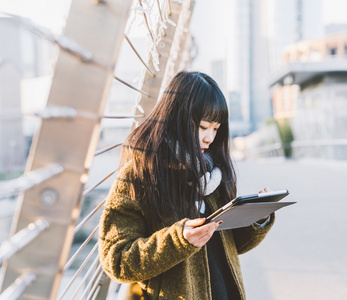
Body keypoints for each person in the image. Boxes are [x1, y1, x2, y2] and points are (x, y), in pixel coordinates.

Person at [99, 71, 275, 299]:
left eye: (216, 128)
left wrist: (256, 219)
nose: (210, 138)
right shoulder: (139, 175)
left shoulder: (214, 175)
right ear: (176, 119)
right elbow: (117, 259)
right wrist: (178, 240)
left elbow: (232, 247)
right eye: (203, 127)